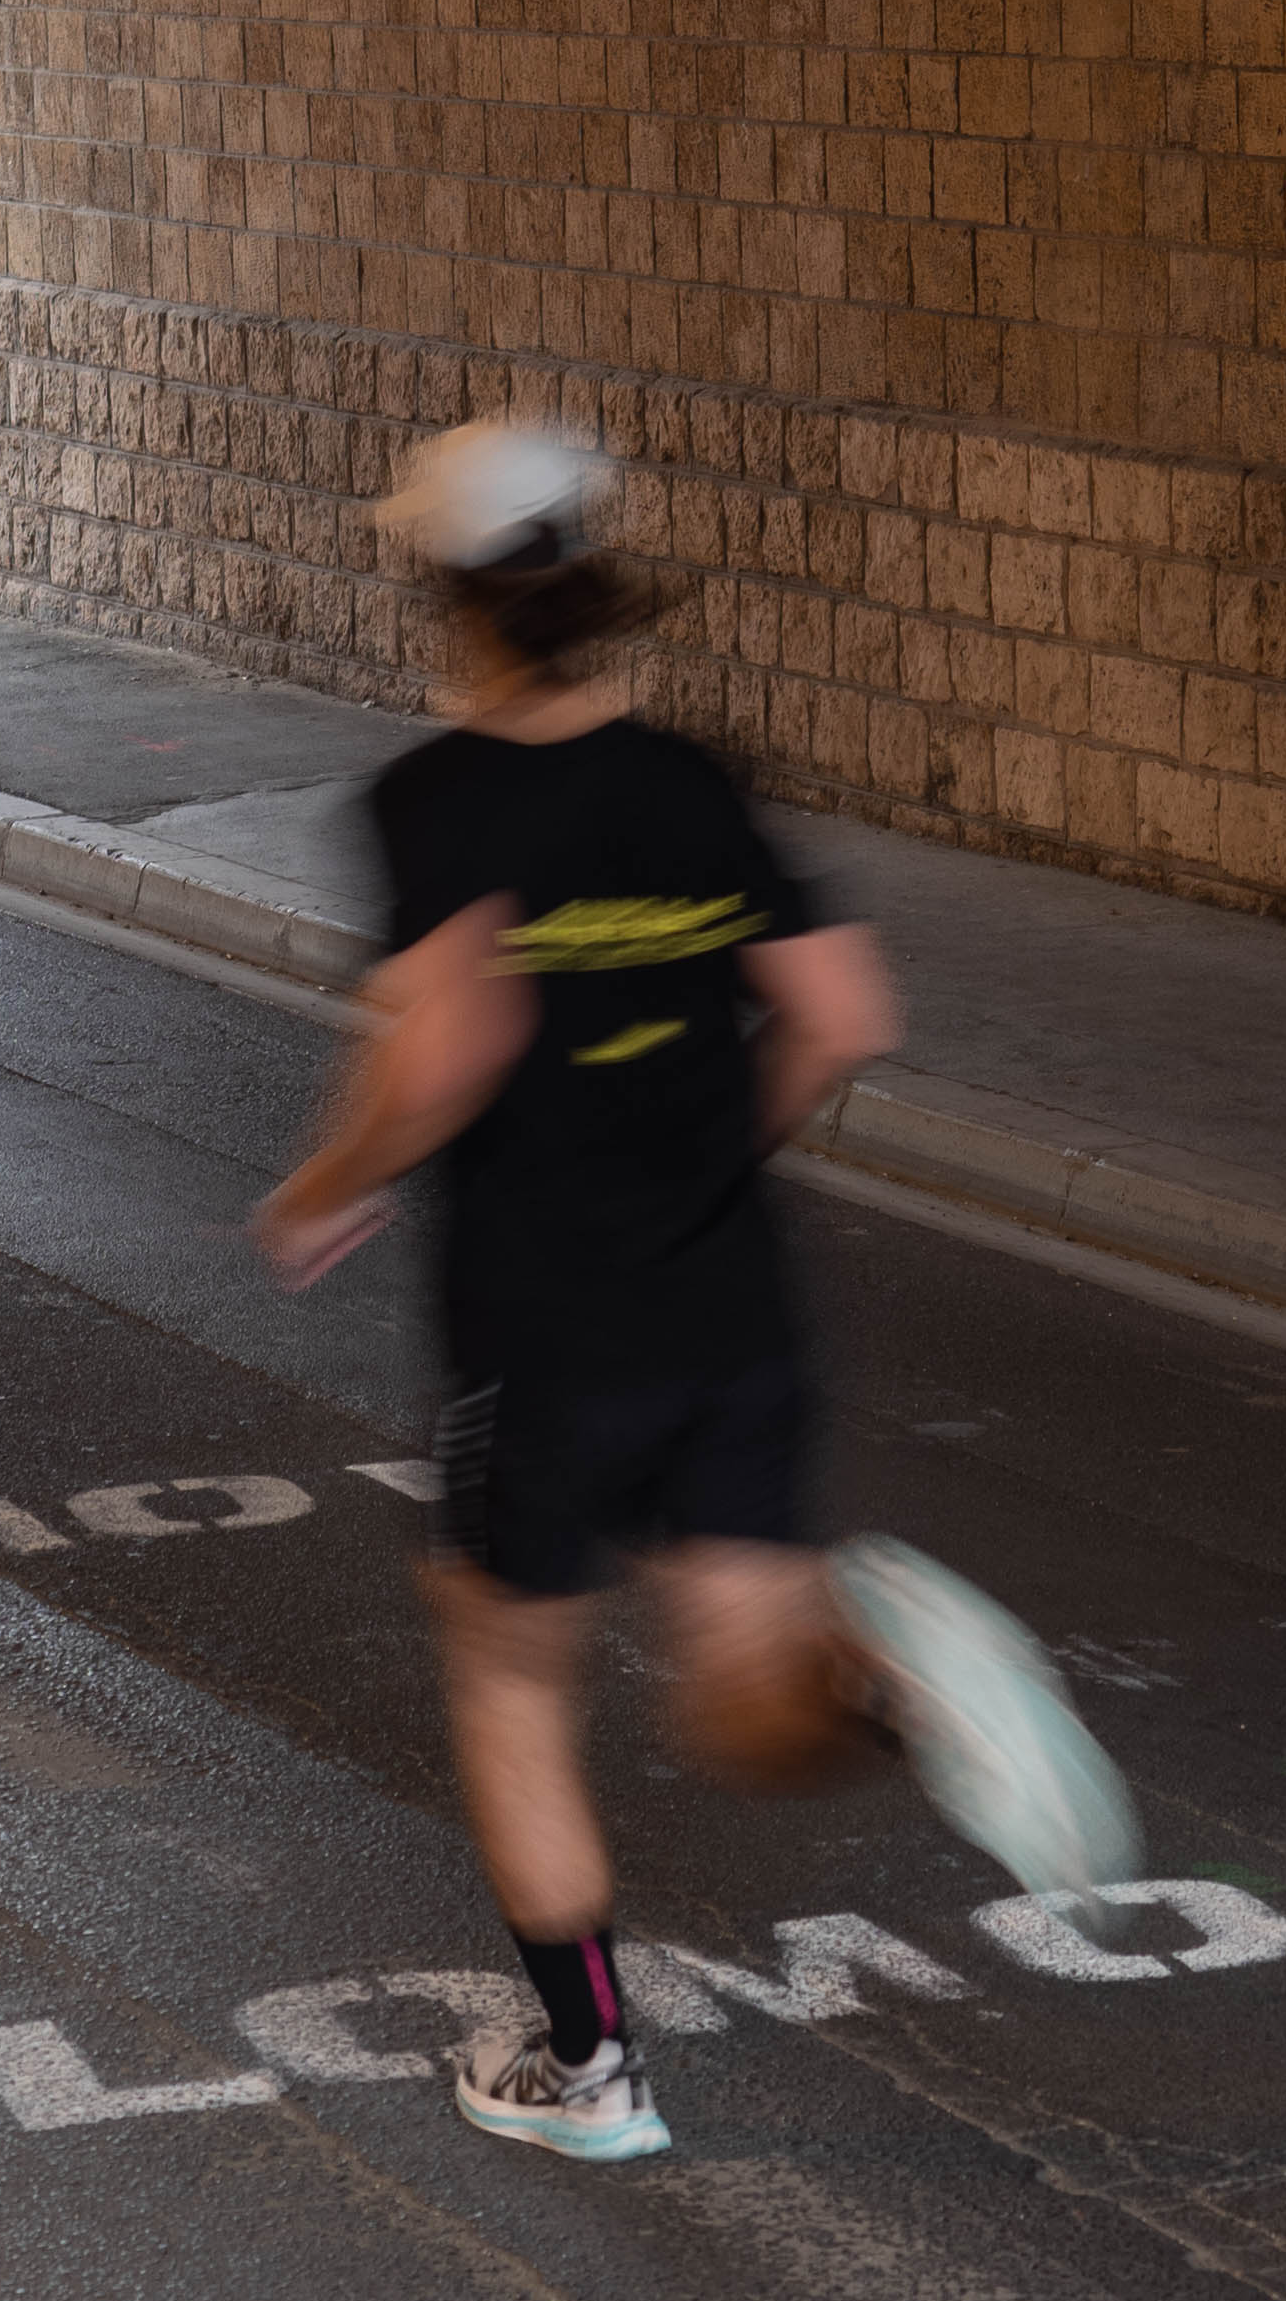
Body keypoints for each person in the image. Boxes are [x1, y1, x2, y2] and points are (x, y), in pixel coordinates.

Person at [254, 422, 1136, 2167]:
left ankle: (587, 2071)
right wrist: (703, 1151)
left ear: (445, 598)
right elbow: (842, 1020)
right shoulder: (692, 782)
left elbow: (451, 1041)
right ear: (592, 579)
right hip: (731, 1305)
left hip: (546, 1328)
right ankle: (885, 1676)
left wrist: (321, 1190)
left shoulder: (433, 800)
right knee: (746, 1707)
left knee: (511, 1679)